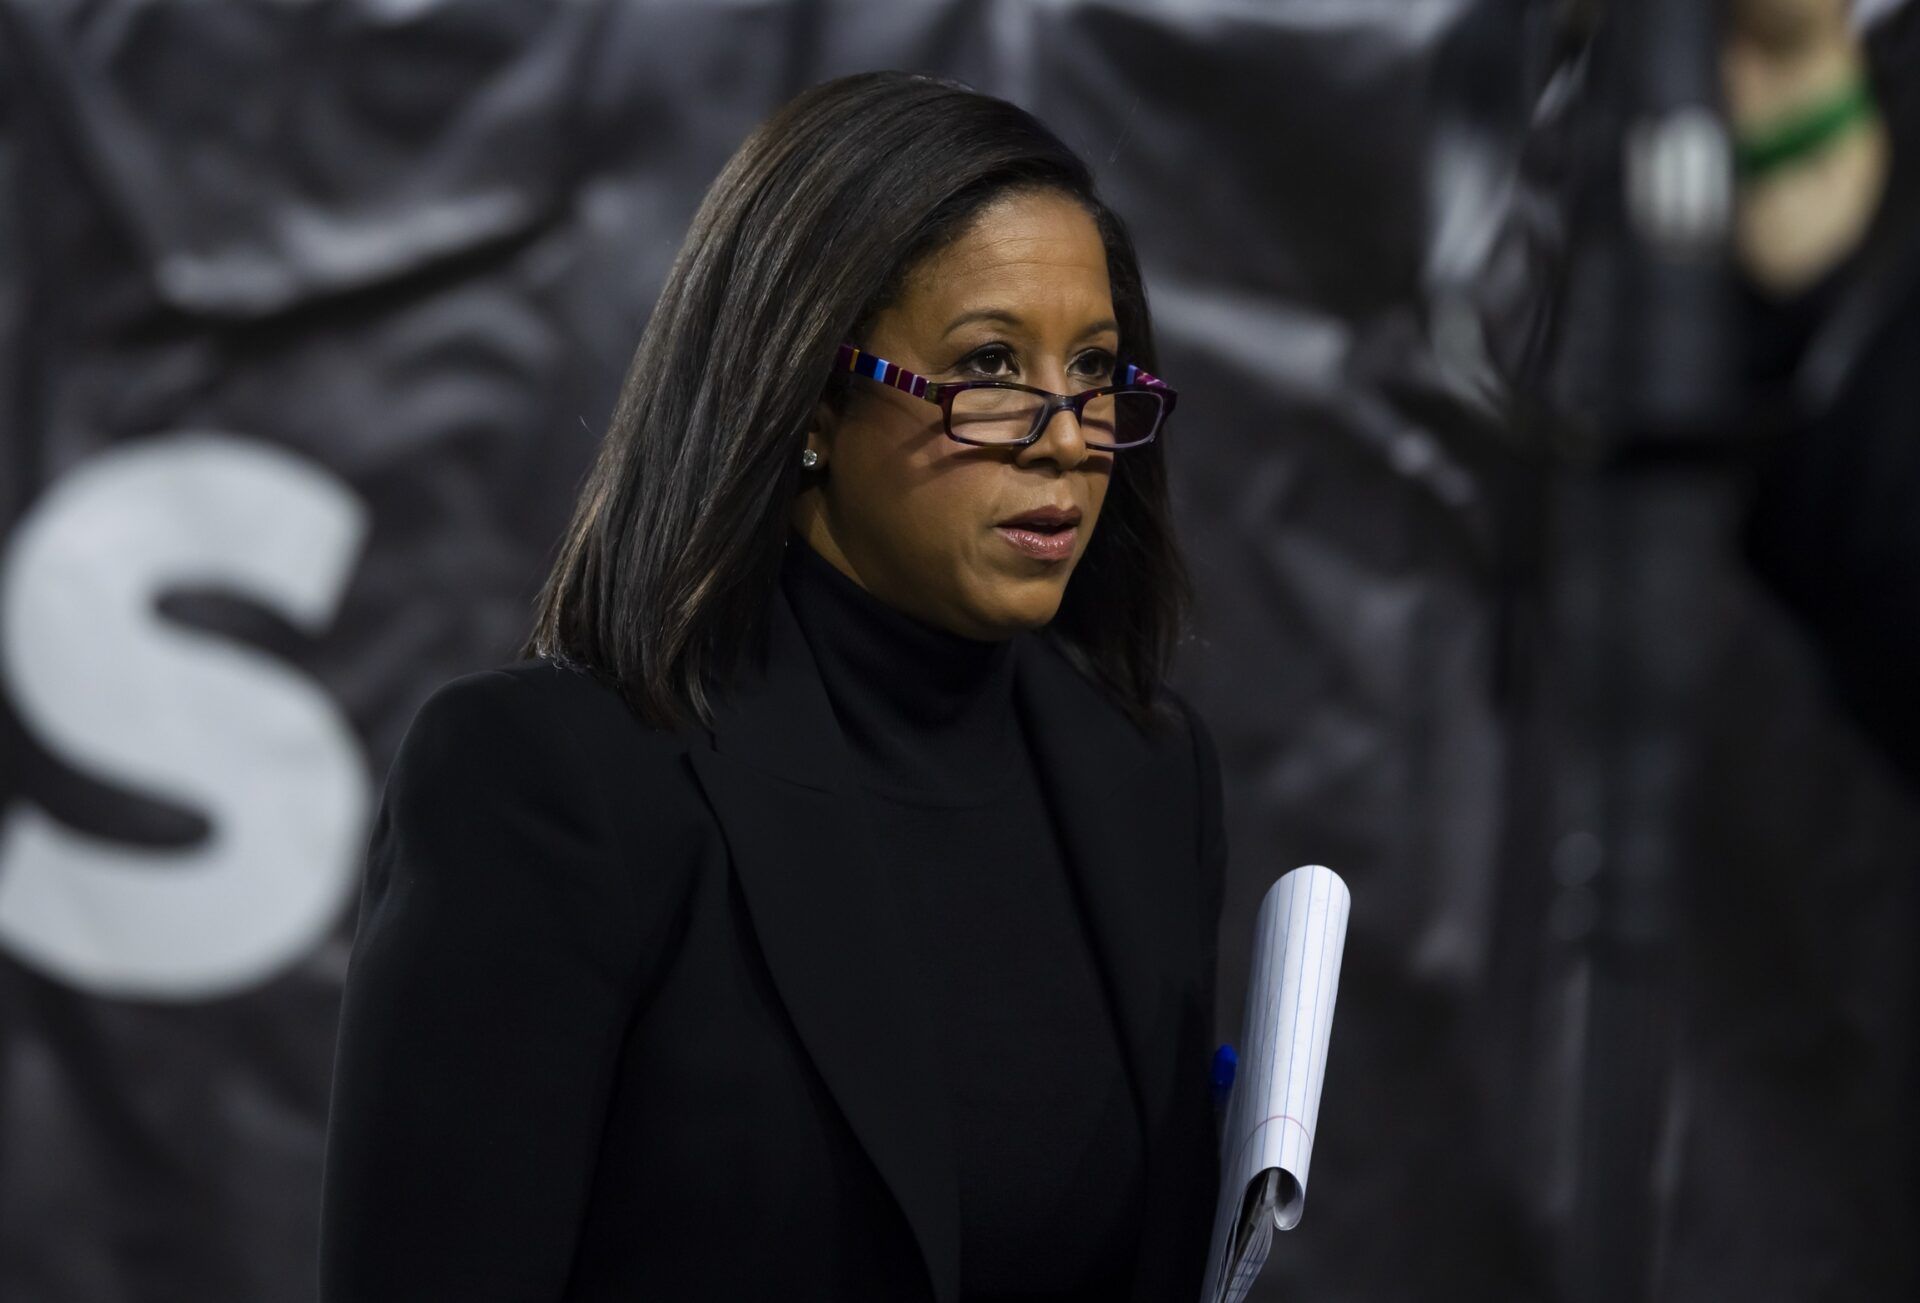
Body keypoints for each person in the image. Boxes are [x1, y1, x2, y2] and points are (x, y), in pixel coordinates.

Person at [318, 70, 1229, 1303]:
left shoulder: (1146, 778)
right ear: (811, 396)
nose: (1066, 435)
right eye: (993, 366)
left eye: (1096, 371)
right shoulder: (553, 781)